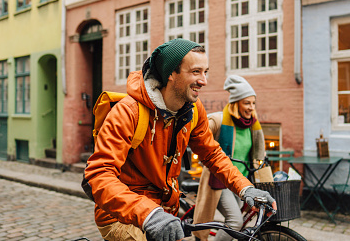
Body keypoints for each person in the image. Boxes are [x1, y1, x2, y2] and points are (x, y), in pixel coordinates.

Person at [82, 39, 276, 241]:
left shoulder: (193, 109)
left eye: (205, 72)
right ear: (171, 74)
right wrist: (149, 214)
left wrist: (246, 188)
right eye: (195, 72)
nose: (203, 80)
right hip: (121, 216)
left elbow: (212, 153)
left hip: (165, 213)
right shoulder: (128, 112)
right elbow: (98, 175)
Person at [193, 75, 266, 241]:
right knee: (235, 222)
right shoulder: (219, 120)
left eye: (253, 103)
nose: (251, 107)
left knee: (234, 222)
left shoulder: (253, 126)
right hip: (219, 180)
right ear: (236, 103)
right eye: (247, 103)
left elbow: (257, 153)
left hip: (240, 181)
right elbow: (198, 134)